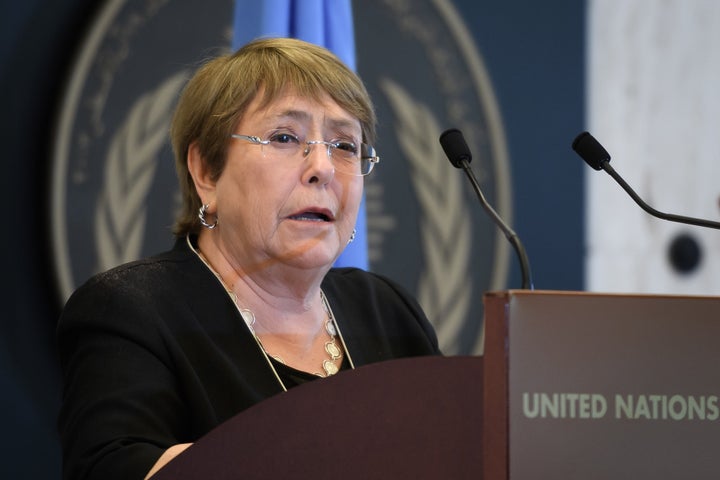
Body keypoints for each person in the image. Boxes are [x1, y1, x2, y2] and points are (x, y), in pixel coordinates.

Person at [56, 37, 441, 480]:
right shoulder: (131, 311)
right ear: (206, 172)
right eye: (284, 136)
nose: (324, 167)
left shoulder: (389, 312)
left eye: (345, 145)